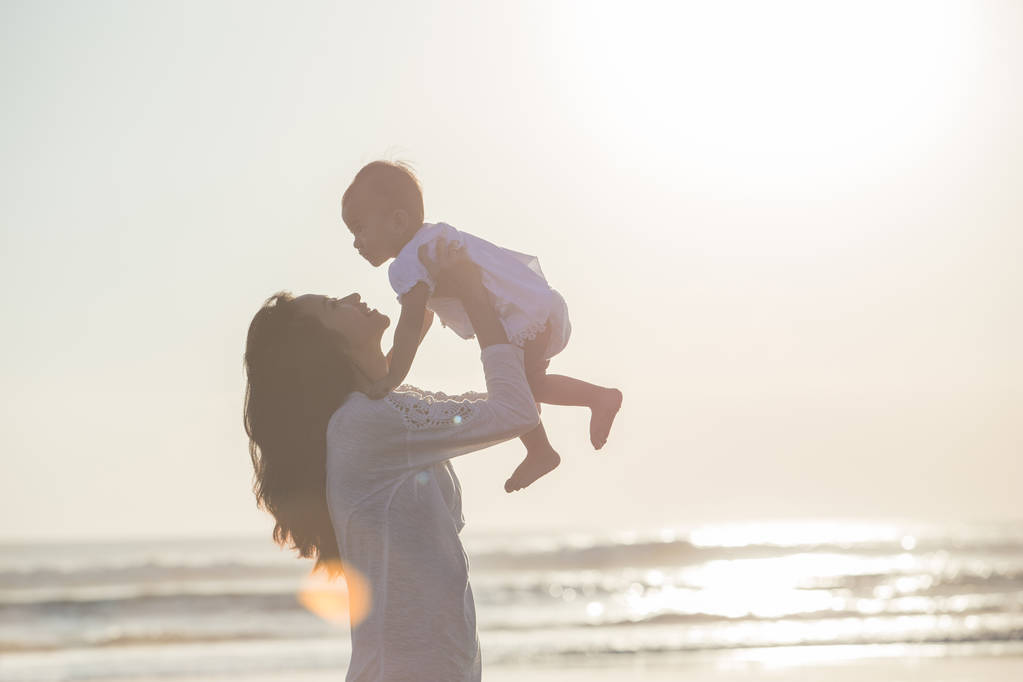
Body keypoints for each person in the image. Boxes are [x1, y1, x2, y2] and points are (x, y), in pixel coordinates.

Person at [243, 243, 539, 681]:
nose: (350, 297)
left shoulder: (377, 414)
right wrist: (475, 296)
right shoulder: (366, 423)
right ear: (323, 346)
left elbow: (415, 346)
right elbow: (515, 411)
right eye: (332, 305)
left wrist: (429, 285)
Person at [342, 160, 623, 492]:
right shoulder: (431, 240)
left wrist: (393, 377)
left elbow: (411, 320)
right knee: (528, 385)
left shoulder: (405, 264)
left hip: (516, 316)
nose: (356, 242)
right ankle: (554, 436)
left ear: (398, 221)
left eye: (360, 228)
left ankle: (563, 430)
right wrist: (392, 363)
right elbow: (423, 319)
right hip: (531, 304)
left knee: (521, 387)